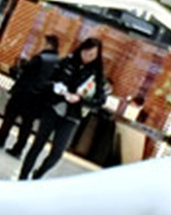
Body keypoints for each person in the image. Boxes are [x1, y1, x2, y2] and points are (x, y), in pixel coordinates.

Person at [18, 37, 106, 180]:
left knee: (57, 152)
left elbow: (100, 100)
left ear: (97, 56)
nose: (87, 57)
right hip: (53, 108)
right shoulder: (67, 62)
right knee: (38, 144)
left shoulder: (97, 74)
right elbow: (47, 80)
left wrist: (81, 100)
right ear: (81, 49)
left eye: (92, 55)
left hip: (72, 116)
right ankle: (23, 177)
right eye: (86, 52)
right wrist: (56, 88)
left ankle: (38, 175)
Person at [0, 34, 60, 158]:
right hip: (38, 98)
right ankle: (18, 149)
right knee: (27, 125)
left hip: (23, 93)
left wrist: (20, 66)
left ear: (48, 45)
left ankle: (0, 139)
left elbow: (26, 72)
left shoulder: (40, 58)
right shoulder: (57, 62)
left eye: (43, 43)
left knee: (9, 117)